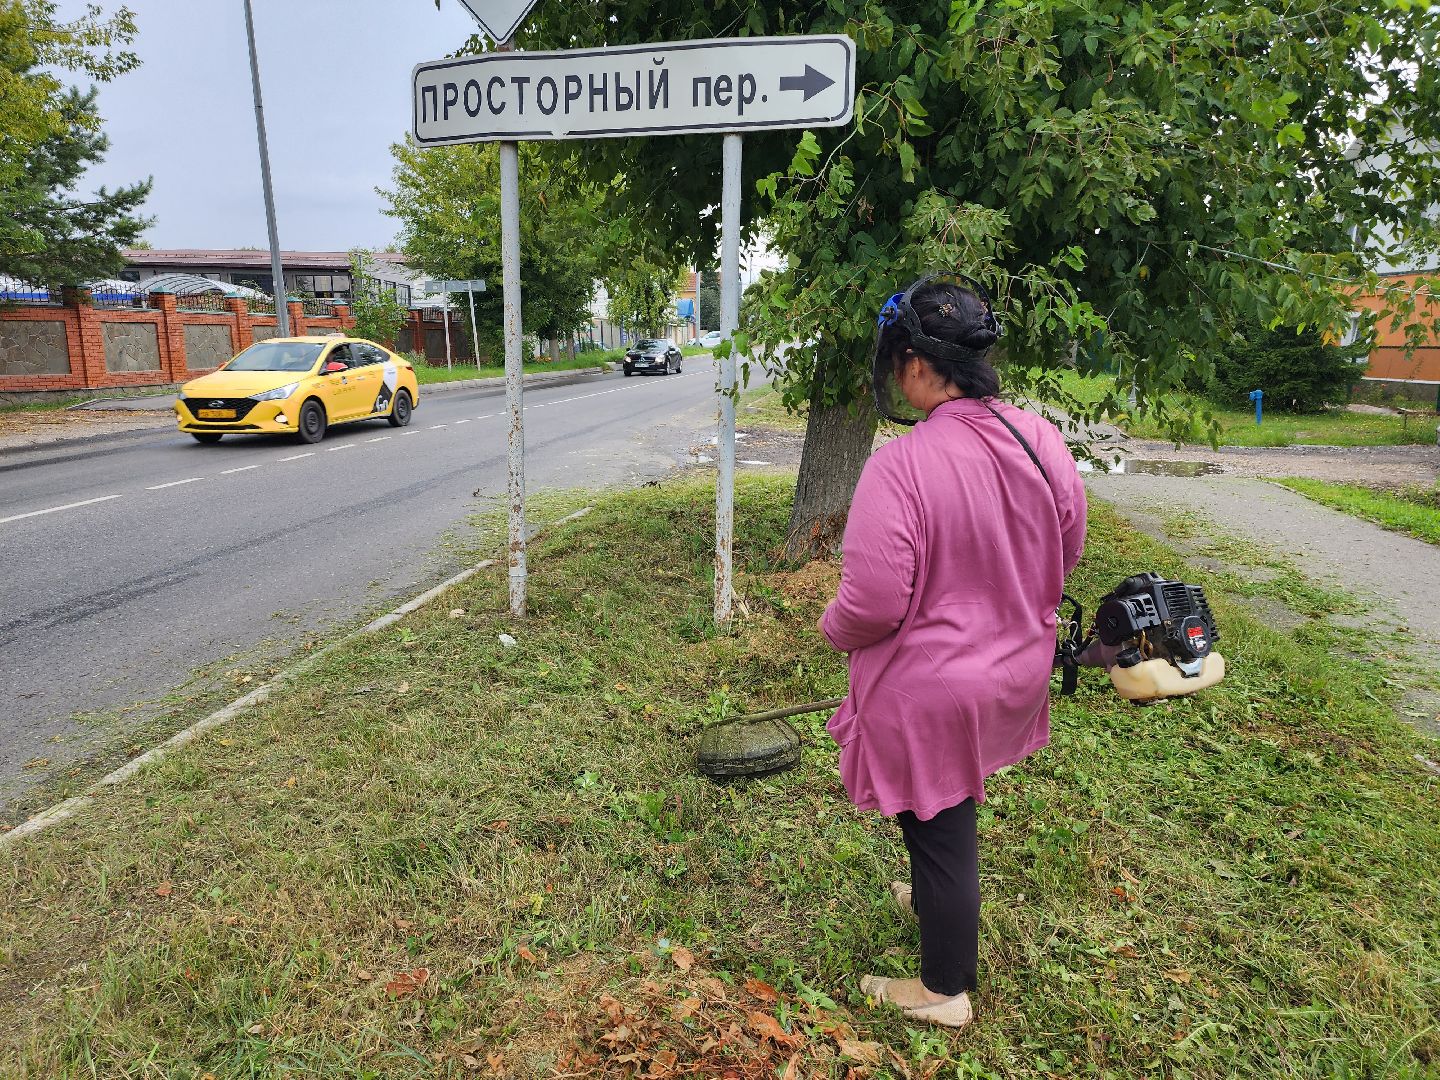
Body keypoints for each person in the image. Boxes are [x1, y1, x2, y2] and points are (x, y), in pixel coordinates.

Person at [818, 275, 1087, 1029]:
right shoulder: (1040, 440)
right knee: (949, 809)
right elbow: (1065, 548)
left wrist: (831, 629)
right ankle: (934, 903)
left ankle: (945, 988)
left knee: (937, 821)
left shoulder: (900, 466)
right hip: (1015, 674)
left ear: (912, 365)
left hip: (934, 692)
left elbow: (871, 602)